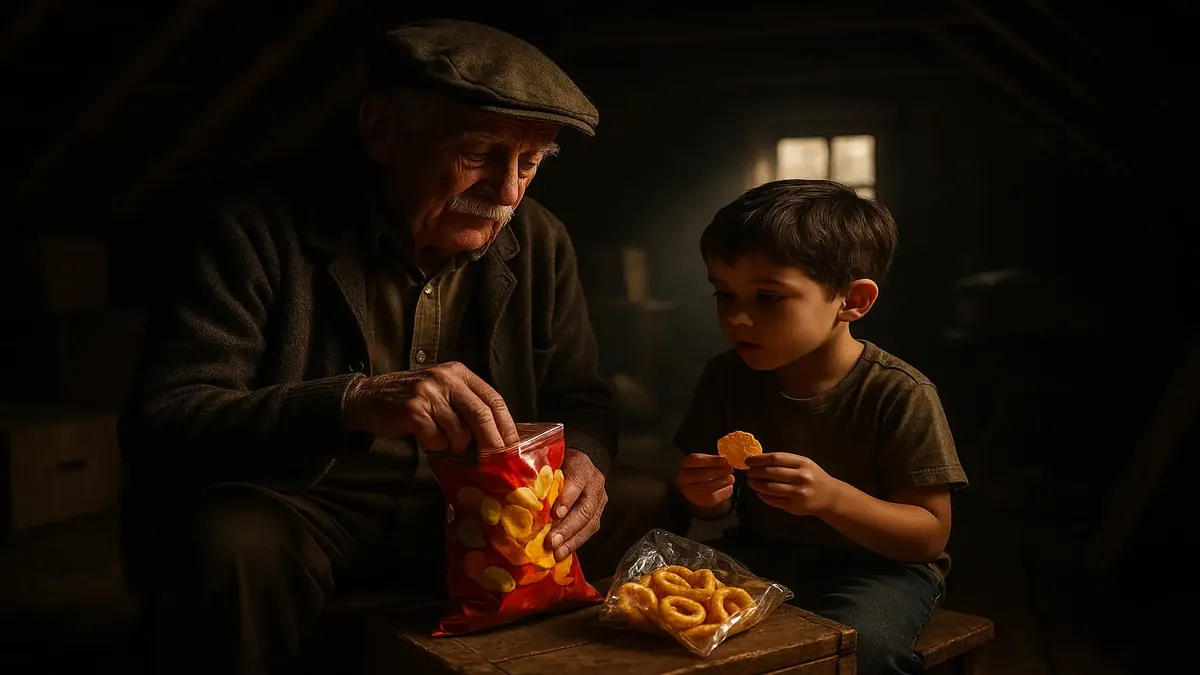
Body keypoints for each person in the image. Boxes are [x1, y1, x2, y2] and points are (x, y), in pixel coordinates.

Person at [118, 19, 683, 675]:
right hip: (308, 503)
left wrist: (587, 458)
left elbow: (580, 395)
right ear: (382, 130)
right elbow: (164, 421)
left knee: (640, 497)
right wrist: (353, 401)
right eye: (478, 155)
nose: (506, 194)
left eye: (529, 164)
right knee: (232, 542)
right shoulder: (251, 227)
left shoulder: (540, 240)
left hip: (481, 506)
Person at [673, 180, 969, 675]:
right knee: (655, 604)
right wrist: (707, 495)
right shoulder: (726, 376)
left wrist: (832, 498)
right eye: (724, 294)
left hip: (881, 571)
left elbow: (928, 537)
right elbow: (713, 500)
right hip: (762, 553)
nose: (737, 318)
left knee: (858, 648)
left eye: (768, 298)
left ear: (852, 301)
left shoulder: (899, 393)